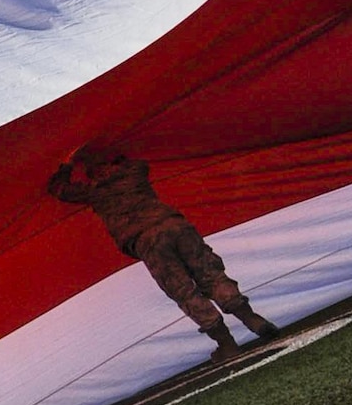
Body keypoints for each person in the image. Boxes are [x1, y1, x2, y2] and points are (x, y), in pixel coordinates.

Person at [48, 145, 280, 362]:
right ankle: (253, 320)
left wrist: (68, 164)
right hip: (175, 225)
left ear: (90, 172)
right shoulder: (135, 172)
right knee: (211, 274)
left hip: (147, 240)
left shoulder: (94, 191)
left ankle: (227, 344)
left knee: (184, 291)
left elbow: (59, 189)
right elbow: (136, 160)